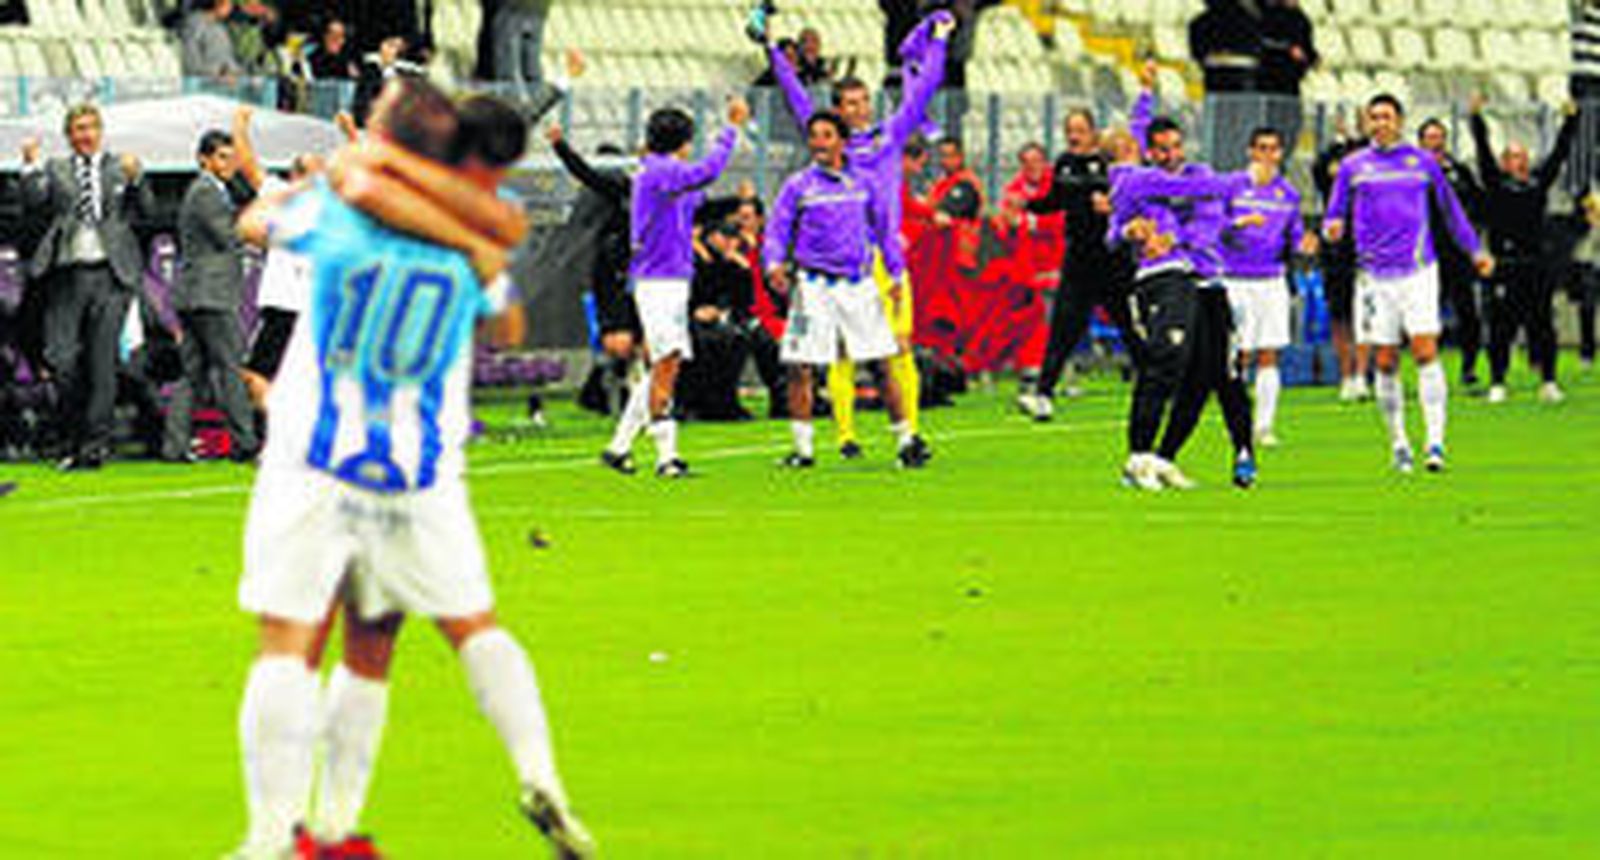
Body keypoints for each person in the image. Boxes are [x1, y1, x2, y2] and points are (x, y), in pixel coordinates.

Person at [229, 78, 592, 860]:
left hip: (320, 460)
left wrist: (339, 175)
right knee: (439, 631)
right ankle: (533, 776)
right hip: (418, 472)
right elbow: (507, 314)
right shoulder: (470, 243)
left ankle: (269, 840)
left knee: (289, 639)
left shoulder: (341, 214)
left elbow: (252, 220)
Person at [762, 9, 951, 462]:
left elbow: (923, 90)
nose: (860, 110)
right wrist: (770, 50)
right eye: (850, 104)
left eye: (864, 102)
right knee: (832, 357)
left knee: (891, 351)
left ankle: (909, 434)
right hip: (835, 264)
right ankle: (843, 436)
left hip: (879, 255)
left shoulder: (888, 138)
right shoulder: (822, 159)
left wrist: (940, 40)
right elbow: (793, 95)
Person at [1324, 94, 1492, 474]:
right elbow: (1334, 213)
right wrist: (1331, 228)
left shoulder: (1422, 163)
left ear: (1399, 121)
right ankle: (1399, 442)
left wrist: (1475, 250)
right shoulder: (1353, 166)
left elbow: (1452, 212)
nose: (1380, 123)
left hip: (1418, 271)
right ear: (1367, 123)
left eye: (1386, 116)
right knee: (1384, 360)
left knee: (1424, 350)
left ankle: (1435, 443)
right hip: (1373, 277)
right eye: (1374, 117)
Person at [1113, 87, 1257, 490]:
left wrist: (1232, 228)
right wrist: (1127, 230)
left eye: (1176, 146)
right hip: (1170, 282)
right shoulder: (1141, 184)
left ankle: (1168, 457)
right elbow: (1114, 233)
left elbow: (1215, 224)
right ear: (1149, 151)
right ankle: (1140, 456)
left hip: (1209, 283)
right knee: (1167, 365)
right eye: (1162, 149)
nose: (1171, 154)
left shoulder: (1202, 176)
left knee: (1217, 377)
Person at [766, 111, 925, 469]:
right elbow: (777, 229)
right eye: (814, 136)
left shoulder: (865, 183)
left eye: (826, 135)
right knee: (799, 365)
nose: (819, 143)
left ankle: (905, 440)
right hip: (813, 286)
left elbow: (885, 232)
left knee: (882, 363)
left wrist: (897, 276)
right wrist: (773, 262)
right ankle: (803, 449)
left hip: (858, 285)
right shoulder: (799, 185)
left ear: (841, 141)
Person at [600, 98, 748, 478]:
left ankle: (619, 447)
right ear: (684, 142)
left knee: (666, 361)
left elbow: (700, 200)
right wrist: (731, 130)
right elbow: (709, 171)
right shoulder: (660, 172)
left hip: (671, 280)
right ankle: (666, 457)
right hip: (659, 281)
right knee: (667, 362)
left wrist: (738, 204)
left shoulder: (665, 175)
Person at [19, 104, 156, 470]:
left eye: (91, 127)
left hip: (111, 276)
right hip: (66, 275)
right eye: (78, 128)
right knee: (61, 358)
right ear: (69, 135)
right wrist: (31, 166)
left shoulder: (118, 167)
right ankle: (71, 437)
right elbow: (33, 203)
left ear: (100, 131)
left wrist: (138, 179)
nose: (85, 134)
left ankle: (94, 446)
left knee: (103, 365)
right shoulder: (56, 169)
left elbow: (147, 210)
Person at [1022, 93, 1143, 421]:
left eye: (1079, 130)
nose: (1073, 136)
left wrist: (1113, 207)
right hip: (1078, 260)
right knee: (1063, 327)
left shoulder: (1110, 163)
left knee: (1131, 326)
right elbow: (1055, 200)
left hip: (1113, 258)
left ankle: (1157, 385)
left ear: (1092, 133)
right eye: (1069, 130)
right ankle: (1043, 394)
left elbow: (1134, 199)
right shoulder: (1063, 163)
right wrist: (1026, 204)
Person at [1469, 95, 1580, 404]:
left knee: (1543, 325)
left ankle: (1548, 381)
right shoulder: (1496, 184)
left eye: (1520, 156)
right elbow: (1482, 155)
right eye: (1511, 156)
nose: (1516, 161)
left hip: (1536, 264)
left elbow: (1559, 155)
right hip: (1505, 263)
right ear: (1504, 162)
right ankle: (1498, 382)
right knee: (1501, 328)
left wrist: (1570, 121)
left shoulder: (1537, 183)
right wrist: (1476, 118)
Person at [171, 129, 261, 463]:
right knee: (230, 368)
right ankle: (246, 443)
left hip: (196, 293)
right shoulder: (206, 192)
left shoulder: (209, 190)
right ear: (203, 159)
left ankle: (174, 444)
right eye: (222, 156)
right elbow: (228, 236)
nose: (230, 163)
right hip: (211, 294)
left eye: (231, 156)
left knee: (193, 374)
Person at [1222, 127, 1316, 448]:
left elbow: (1294, 237)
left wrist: (1304, 245)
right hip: (1234, 278)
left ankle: (1264, 426)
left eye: (1273, 149)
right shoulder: (1232, 187)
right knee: (1239, 355)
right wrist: (1238, 224)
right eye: (1261, 148)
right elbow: (1212, 228)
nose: (1266, 155)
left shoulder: (1287, 194)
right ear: (1250, 151)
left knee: (1269, 352)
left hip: (1271, 280)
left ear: (1280, 154)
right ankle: (1237, 421)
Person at [1417, 116, 1486, 387]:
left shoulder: (1459, 171)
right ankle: (1425, 369)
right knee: (1424, 315)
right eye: (1429, 137)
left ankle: (1469, 368)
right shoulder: (1413, 172)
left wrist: (1474, 242)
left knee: (1468, 312)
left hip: (1457, 253)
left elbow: (1478, 204)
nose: (1435, 142)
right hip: (1424, 253)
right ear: (1420, 142)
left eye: (1439, 137)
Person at [1312, 113, 1370, 401]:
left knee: (1365, 314)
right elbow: (1320, 173)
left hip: (1368, 244)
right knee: (1340, 314)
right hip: (1336, 245)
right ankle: (1347, 375)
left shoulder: (1374, 158)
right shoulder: (1332, 159)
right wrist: (1338, 142)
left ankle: (1362, 375)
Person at [1257, 0, 1317, 152]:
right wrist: (1288, 50)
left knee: (1289, 128)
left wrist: (1309, 58)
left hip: (1290, 86)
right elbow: (1262, 43)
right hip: (1268, 85)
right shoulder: (1265, 14)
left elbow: (1307, 50)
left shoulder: (1301, 19)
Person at [183, 0, 243, 81]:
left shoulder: (220, 28)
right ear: (218, 3)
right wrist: (220, 73)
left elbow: (228, 60)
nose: (231, 7)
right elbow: (192, 66)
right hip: (204, 89)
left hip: (223, 86)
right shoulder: (193, 26)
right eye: (229, 3)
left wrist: (238, 72)